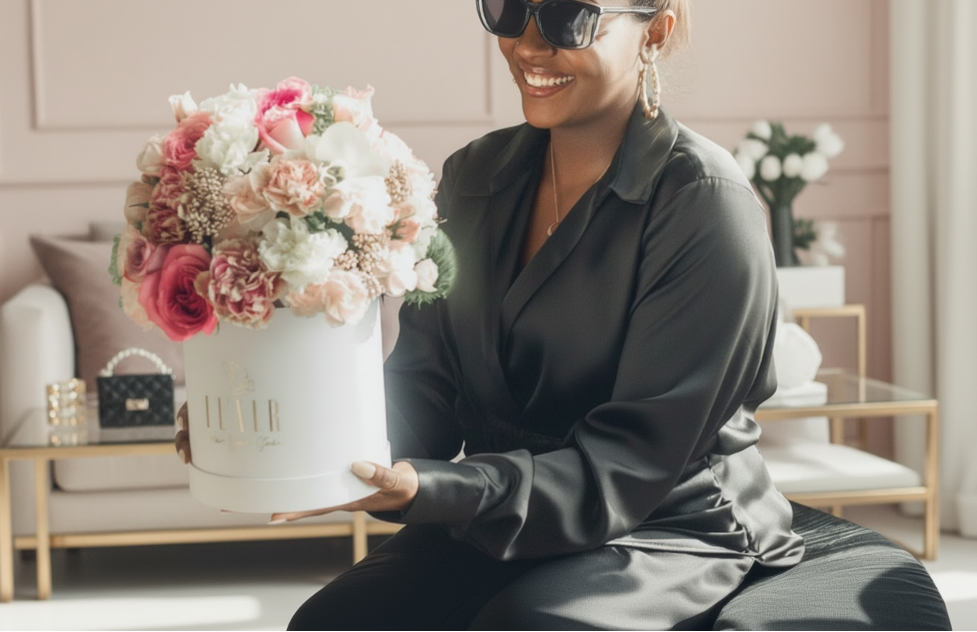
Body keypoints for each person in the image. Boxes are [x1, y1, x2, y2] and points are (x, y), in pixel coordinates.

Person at [176, 0, 804, 628]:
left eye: (569, 16)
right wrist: (296, 436)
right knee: (335, 621)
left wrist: (437, 490)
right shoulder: (475, 175)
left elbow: (631, 465)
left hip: (665, 524)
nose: (528, 45)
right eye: (510, 9)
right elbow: (428, 383)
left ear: (655, 32)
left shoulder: (704, 204)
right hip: (502, 515)